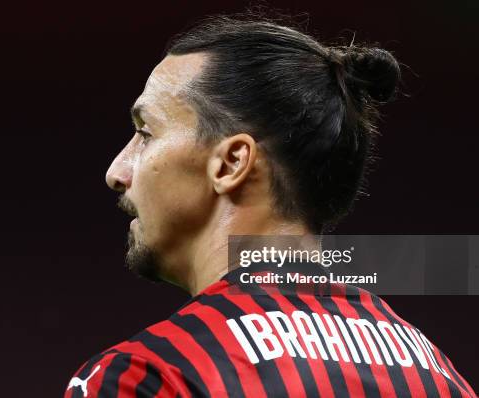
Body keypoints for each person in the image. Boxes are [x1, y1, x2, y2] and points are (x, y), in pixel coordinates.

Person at [64, 14, 476, 398]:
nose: (116, 171)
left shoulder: (150, 375)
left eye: (145, 132)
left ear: (231, 163)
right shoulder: (439, 376)